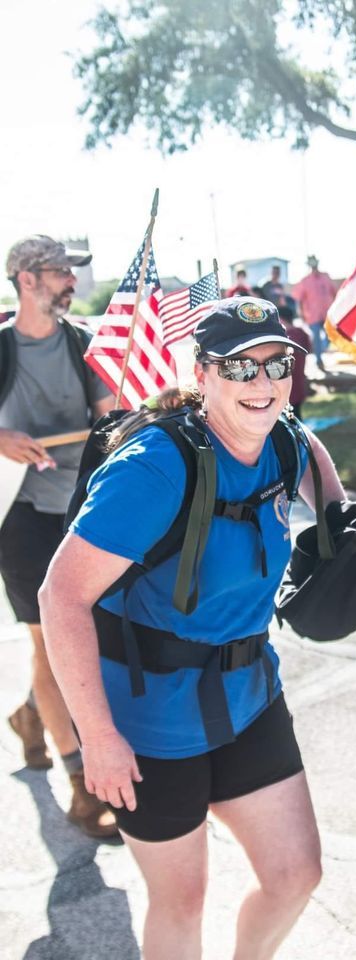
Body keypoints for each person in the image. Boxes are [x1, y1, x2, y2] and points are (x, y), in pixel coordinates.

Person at [38, 297, 346, 960]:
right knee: (182, 902)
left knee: (296, 875)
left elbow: (343, 528)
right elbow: (60, 597)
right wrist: (97, 737)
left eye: (276, 363)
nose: (263, 383)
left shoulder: (288, 441)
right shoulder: (155, 467)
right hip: (149, 723)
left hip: (248, 697)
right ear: (203, 373)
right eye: (240, 367)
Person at [0, 234, 117, 839]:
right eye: (61, 273)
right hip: (20, 517)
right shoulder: (0, 348)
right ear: (26, 279)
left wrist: (117, 419)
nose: (73, 282)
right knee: (51, 645)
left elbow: (108, 416)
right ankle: (80, 785)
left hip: (84, 512)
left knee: (85, 639)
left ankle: (29, 716)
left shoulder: (83, 343)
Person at [291, 255, 337, 372]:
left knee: (329, 336)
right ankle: (318, 360)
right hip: (312, 316)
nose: (314, 266)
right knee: (316, 337)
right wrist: (301, 313)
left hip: (327, 314)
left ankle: (320, 351)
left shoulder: (325, 277)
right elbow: (299, 299)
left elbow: (334, 292)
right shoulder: (305, 281)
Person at [278, 302, 312, 419]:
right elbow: (308, 350)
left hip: (288, 384)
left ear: (280, 319)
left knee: (290, 418)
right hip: (299, 381)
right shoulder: (302, 332)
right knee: (296, 415)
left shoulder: (284, 338)